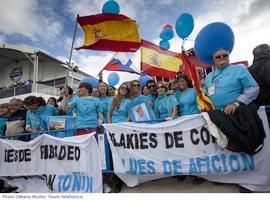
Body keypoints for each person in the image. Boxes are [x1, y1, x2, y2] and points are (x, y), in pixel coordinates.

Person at [204, 48, 259, 114]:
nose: (222, 57)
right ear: (213, 60)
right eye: (218, 57)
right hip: (217, 115)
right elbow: (205, 94)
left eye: (225, 55)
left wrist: (236, 103)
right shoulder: (209, 76)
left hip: (238, 112)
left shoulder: (239, 69)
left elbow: (253, 88)